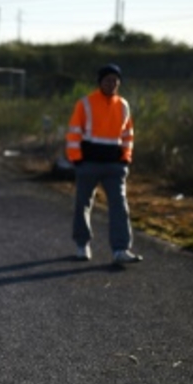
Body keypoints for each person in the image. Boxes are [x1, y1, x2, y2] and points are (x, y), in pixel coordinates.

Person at [66, 63, 142, 265]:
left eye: (115, 80)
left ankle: (121, 250)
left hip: (114, 166)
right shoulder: (86, 103)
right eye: (108, 80)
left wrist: (125, 158)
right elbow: (74, 131)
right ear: (100, 81)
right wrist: (76, 159)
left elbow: (128, 135)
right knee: (83, 203)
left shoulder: (123, 105)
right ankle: (82, 245)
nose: (112, 83)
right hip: (88, 164)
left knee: (119, 206)